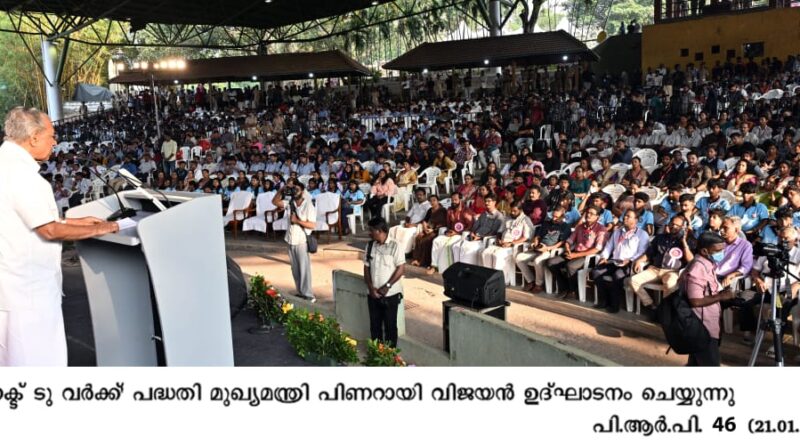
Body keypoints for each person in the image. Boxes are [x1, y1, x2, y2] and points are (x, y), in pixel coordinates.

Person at [0, 107, 119, 366]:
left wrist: (73, 221)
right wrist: (100, 228)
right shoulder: (22, 175)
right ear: (34, 137)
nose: (55, 142)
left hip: (11, 285)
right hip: (28, 291)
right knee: (37, 362)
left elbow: (28, 219)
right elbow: (49, 230)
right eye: (51, 136)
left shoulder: (5, 164)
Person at [681, 232, 735, 366]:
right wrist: (721, 296)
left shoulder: (708, 264)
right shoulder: (698, 268)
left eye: (722, 250)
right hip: (702, 328)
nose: (721, 253)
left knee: (695, 364)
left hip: (709, 323)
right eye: (718, 251)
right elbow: (695, 301)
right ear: (704, 251)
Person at [630, 215, 695, 314]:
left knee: (670, 284)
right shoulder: (660, 238)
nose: (674, 226)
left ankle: (665, 310)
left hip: (672, 272)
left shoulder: (688, 241)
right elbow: (649, 253)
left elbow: (691, 260)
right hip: (654, 270)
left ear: (683, 227)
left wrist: (684, 243)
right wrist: (639, 260)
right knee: (633, 280)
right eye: (672, 224)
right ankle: (651, 305)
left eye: (677, 225)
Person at [591, 209, 650, 313]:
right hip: (614, 261)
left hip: (629, 264)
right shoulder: (618, 231)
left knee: (618, 276)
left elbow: (642, 252)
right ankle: (604, 301)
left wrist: (630, 260)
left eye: (628, 216)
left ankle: (615, 306)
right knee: (596, 272)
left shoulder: (642, 234)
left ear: (636, 220)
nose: (625, 218)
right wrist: (604, 257)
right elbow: (609, 246)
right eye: (625, 215)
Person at [546, 205, 608, 300]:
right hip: (574, 252)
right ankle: (564, 287)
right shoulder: (580, 227)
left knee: (570, 266)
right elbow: (569, 240)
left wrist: (575, 255)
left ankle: (573, 291)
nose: (588, 215)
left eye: (592, 214)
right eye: (587, 212)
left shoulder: (601, 229)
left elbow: (597, 249)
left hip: (588, 256)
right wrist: (567, 247)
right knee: (551, 262)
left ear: (597, 217)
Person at [363, 217, 405, 347]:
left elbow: (401, 268)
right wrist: (371, 288)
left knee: (390, 327)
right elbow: (366, 267)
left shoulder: (396, 245)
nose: (369, 233)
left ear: (379, 231)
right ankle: (376, 353)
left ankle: (390, 355)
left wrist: (387, 286)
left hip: (390, 294)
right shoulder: (370, 245)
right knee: (375, 326)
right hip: (373, 294)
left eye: (371, 230)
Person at [272, 182, 317, 302]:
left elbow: (312, 225)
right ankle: (300, 292)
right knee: (295, 269)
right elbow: (275, 202)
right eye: (293, 189)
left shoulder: (308, 205)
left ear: (303, 191)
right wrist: (282, 190)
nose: (295, 191)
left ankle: (309, 295)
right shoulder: (290, 202)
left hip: (302, 240)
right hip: (290, 239)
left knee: (304, 268)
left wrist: (297, 221)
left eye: (297, 189)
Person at [516, 206, 572, 293]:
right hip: (539, 247)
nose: (554, 218)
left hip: (550, 250)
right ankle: (531, 281)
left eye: (557, 217)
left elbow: (561, 243)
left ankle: (539, 284)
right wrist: (535, 242)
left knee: (537, 260)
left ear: (562, 217)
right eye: (553, 216)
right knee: (519, 258)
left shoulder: (565, 227)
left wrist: (547, 248)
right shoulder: (546, 223)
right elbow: (538, 235)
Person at [481, 200, 534, 285]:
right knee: (485, 253)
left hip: (513, 246)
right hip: (502, 243)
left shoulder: (525, 220)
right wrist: (498, 239)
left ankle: (499, 281)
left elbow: (526, 237)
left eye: (515, 211)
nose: (512, 213)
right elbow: (500, 231)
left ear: (520, 210)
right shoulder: (508, 217)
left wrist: (511, 243)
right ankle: (488, 277)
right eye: (511, 210)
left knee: (497, 255)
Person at [430, 192, 475, 273]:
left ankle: (447, 268)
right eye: (452, 200)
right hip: (451, 233)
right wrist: (448, 231)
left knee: (447, 245)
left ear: (460, 200)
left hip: (461, 235)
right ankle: (434, 265)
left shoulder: (466, 211)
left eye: (455, 200)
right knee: (436, 241)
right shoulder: (450, 210)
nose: (453, 202)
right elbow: (448, 224)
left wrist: (457, 233)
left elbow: (470, 226)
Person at [388, 188, 430, 255]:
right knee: (392, 229)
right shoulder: (415, 205)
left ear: (425, 195)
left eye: (420, 195)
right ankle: (392, 248)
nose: (418, 196)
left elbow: (426, 219)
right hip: (409, 224)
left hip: (418, 226)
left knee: (407, 233)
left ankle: (404, 252)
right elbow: (408, 216)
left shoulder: (428, 206)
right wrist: (407, 222)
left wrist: (413, 225)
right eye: (417, 195)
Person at [410, 195, 448, 269]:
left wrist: (433, 230)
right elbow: (425, 220)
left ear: (438, 201)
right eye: (430, 201)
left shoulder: (443, 210)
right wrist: (424, 226)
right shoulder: (430, 210)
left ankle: (424, 261)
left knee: (426, 240)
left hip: (436, 231)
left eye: (434, 200)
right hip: (427, 229)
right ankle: (416, 259)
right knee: (418, 237)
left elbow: (443, 223)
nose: (432, 202)